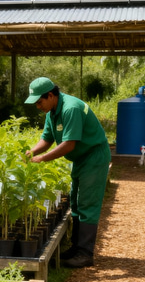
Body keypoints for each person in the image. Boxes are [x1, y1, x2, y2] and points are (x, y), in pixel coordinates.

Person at [25, 77, 111, 268]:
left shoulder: (70, 108)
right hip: (80, 158)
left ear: (50, 95)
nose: (38, 106)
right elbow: (46, 139)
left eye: (40, 101)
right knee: (76, 201)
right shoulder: (52, 111)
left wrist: (42, 159)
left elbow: (69, 144)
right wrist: (32, 152)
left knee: (87, 202)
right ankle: (76, 248)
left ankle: (85, 254)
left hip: (94, 156)